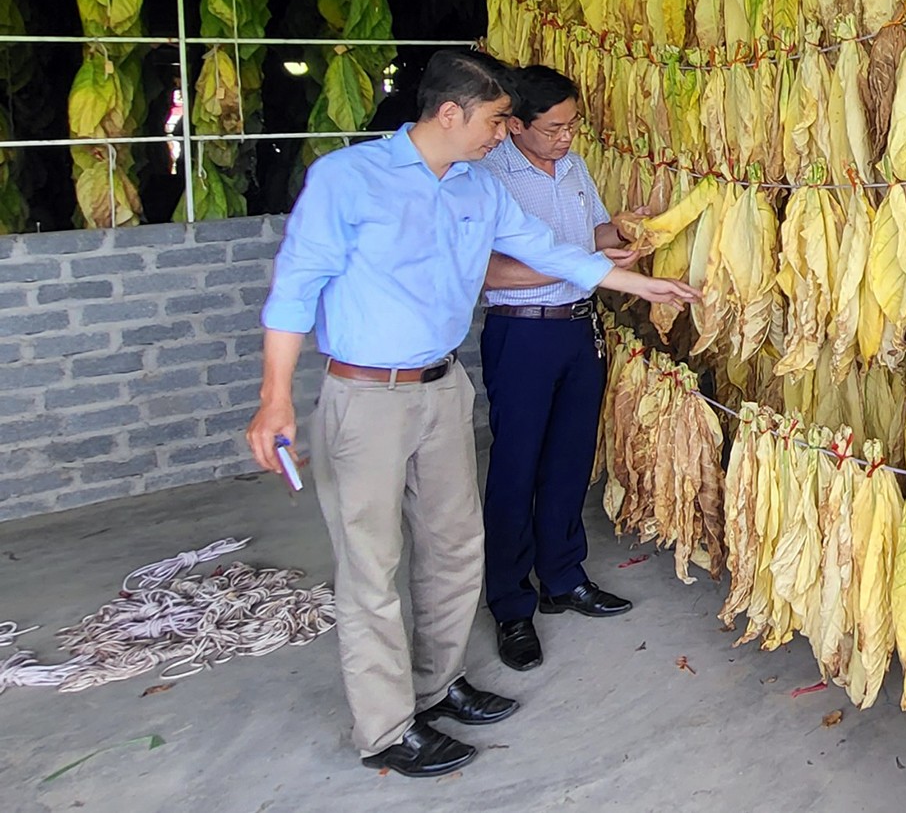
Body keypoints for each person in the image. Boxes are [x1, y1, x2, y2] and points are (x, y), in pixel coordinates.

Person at [245, 50, 696, 780]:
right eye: (493, 121)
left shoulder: (473, 189)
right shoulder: (346, 180)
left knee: (454, 546)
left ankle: (439, 683)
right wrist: (274, 399)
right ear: (450, 113)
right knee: (371, 565)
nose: (500, 134)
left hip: (442, 386)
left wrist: (639, 286)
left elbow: (549, 249)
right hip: (365, 395)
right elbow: (295, 292)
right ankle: (388, 728)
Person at [475, 65, 633, 673]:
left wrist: (619, 234)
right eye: (553, 128)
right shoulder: (487, 178)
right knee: (516, 467)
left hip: (578, 328)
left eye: (572, 126)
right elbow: (492, 272)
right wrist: (580, 266)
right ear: (515, 124)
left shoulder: (572, 167)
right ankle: (512, 606)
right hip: (523, 332)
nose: (566, 138)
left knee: (569, 458)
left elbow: (593, 230)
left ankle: (564, 577)